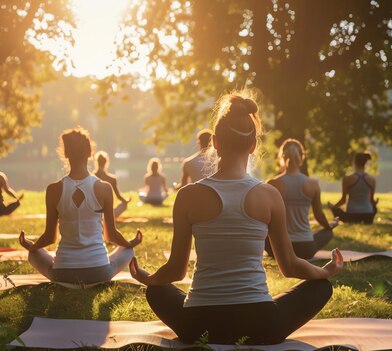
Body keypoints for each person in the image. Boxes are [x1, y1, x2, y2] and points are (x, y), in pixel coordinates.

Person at [129, 92, 343, 345]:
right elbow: (289, 266)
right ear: (253, 146)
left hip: (197, 325)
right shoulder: (269, 195)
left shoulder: (187, 196)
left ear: (216, 142)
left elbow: (176, 270)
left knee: (157, 291)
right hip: (261, 324)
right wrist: (324, 271)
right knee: (321, 287)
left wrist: (149, 279)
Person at [18, 127, 141, 285]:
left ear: (66, 154)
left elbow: (50, 237)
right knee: (128, 251)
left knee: (33, 254)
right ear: (90, 153)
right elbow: (111, 235)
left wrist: (33, 246)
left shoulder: (53, 189)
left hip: (63, 273)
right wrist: (130, 243)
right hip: (99, 272)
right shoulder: (104, 188)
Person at [265, 139, 336, 259]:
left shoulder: (273, 183)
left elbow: (265, 217)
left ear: (282, 157)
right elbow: (319, 215)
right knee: (328, 233)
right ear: (302, 157)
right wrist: (330, 226)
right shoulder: (312, 184)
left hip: (279, 249)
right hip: (306, 248)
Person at [328, 152, 378, 224]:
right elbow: (371, 200)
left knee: (334, 208)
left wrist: (333, 208)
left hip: (352, 214)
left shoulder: (347, 179)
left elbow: (343, 200)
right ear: (365, 163)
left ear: (354, 162)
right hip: (368, 214)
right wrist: (375, 203)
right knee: (374, 208)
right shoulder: (372, 179)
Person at [94, 151, 131, 217]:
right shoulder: (112, 179)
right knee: (124, 204)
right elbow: (118, 196)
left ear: (96, 162)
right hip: (108, 213)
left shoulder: (91, 177)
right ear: (106, 163)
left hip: (93, 212)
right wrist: (126, 201)